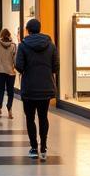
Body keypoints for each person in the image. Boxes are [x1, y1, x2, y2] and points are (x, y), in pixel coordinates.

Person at [15, 19, 59, 160]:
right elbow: (56, 67)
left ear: (28, 30)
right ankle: (44, 147)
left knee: (29, 118)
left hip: (29, 88)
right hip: (45, 87)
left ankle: (34, 148)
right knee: (43, 117)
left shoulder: (23, 46)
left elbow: (19, 66)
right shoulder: (51, 45)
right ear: (40, 29)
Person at [0, 29, 17, 118]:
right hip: (10, 72)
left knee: (0, 90)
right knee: (10, 91)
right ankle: (9, 109)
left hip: (0, 71)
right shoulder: (13, 46)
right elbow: (15, 60)